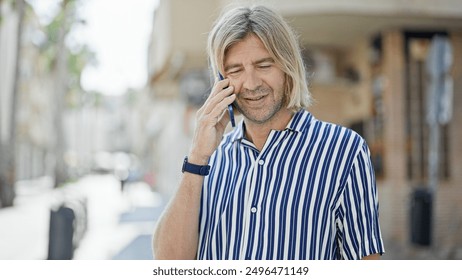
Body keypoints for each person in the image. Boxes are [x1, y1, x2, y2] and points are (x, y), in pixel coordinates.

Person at [152, 5, 385, 260]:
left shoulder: (345, 151)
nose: (251, 84)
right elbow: (169, 263)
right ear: (221, 80)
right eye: (235, 70)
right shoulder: (208, 160)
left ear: (287, 69)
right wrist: (196, 158)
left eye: (264, 65)